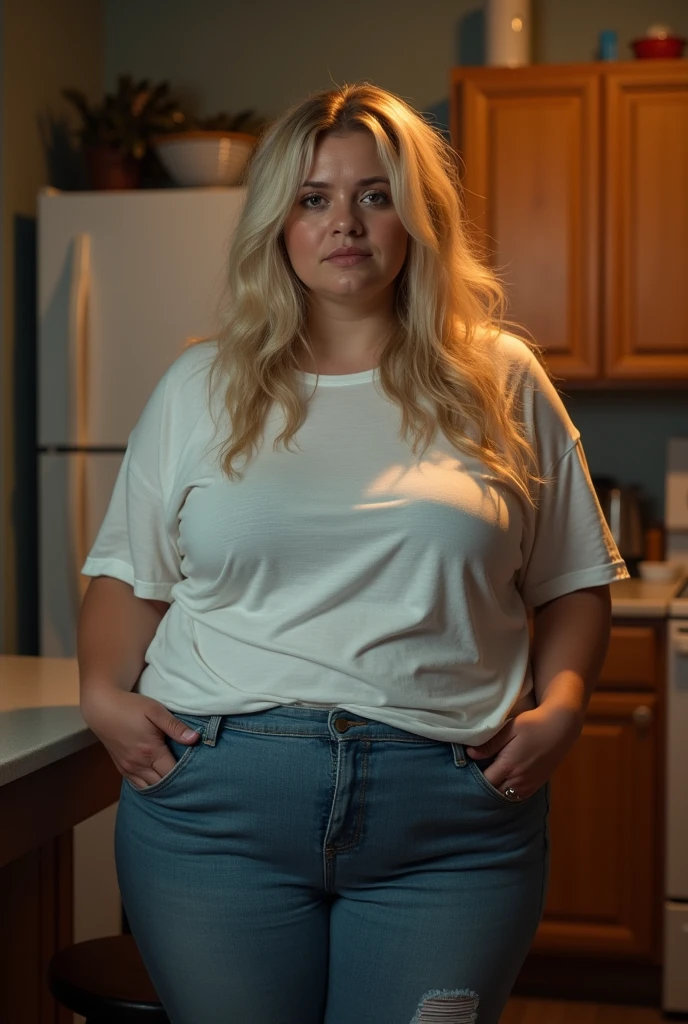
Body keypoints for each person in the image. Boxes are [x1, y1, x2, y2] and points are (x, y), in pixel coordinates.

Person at [77, 81, 629, 1024]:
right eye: (314, 197)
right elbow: (130, 572)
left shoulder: (499, 377)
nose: (347, 222)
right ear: (277, 225)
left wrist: (566, 707)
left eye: (375, 194)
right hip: (216, 808)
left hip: (451, 822)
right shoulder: (198, 385)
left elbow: (574, 580)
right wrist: (101, 698)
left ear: (417, 218)